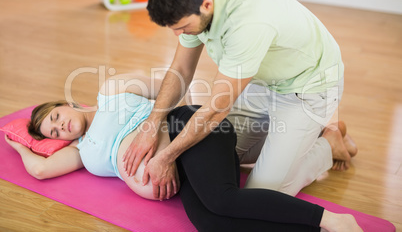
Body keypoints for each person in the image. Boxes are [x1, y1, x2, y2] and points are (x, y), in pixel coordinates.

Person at [5, 73, 362, 231]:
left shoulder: (111, 91)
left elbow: (175, 86)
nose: (59, 127)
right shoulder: (83, 152)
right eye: (52, 132)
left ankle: (331, 219)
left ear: (66, 104)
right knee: (209, 223)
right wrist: (17, 143)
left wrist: (163, 146)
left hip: (186, 129)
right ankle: (320, 219)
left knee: (222, 199)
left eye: (56, 116)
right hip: (181, 173)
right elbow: (39, 170)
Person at [123, 0, 358, 197]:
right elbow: (181, 69)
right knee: (210, 153)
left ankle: (328, 143)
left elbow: (216, 110)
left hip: (307, 87)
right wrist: (152, 123)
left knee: (260, 196)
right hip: (261, 79)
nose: (179, 35)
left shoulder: (247, 22)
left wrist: (166, 157)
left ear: (207, 5)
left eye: (182, 27)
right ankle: (309, 133)